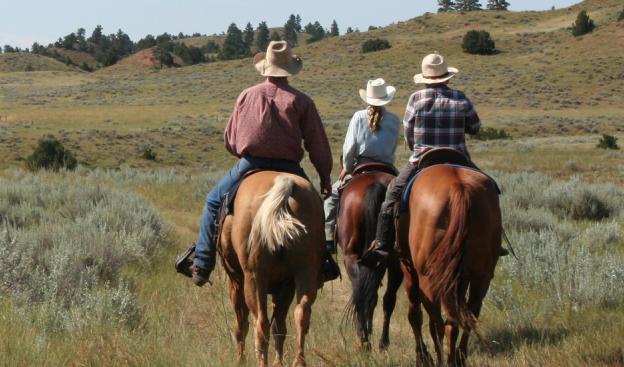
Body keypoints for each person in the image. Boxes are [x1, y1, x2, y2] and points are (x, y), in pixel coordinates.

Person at [175, 41, 338, 286]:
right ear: (290, 70)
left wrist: (244, 153)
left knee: (212, 202)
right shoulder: (303, 101)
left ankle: (203, 264)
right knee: (314, 207)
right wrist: (325, 176)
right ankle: (322, 262)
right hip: (290, 168)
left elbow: (230, 139)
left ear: (265, 67)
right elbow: (318, 146)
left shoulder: (247, 95)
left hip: (251, 164)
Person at [360, 52, 495, 270]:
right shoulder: (460, 97)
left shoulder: (416, 98)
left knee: (391, 195)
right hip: (459, 159)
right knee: (491, 189)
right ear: (447, 78)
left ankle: (383, 244)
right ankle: (493, 240)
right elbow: (476, 127)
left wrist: (419, 144)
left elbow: (409, 134)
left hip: (423, 160)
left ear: (424, 79)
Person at [323, 78, 402, 243]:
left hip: (361, 164)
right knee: (406, 195)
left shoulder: (359, 116)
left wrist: (347, 167)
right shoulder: (394, 119)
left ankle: (329, 236)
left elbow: (350, 146)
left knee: (333, 196)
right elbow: (393, 146)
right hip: (386, 166)